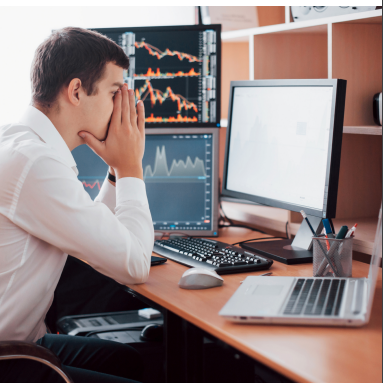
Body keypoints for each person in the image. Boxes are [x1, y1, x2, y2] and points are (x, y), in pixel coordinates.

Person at [0, 27, 154, 382]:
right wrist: (132, 167)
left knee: (125, 360)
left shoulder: (25, 145)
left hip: (23, 340)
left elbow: (96, 227)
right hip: (8, 356)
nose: (122, 106)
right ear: (76, 91)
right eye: (116, 92)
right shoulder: (35, 164)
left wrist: (116, 172)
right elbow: (134, 265)